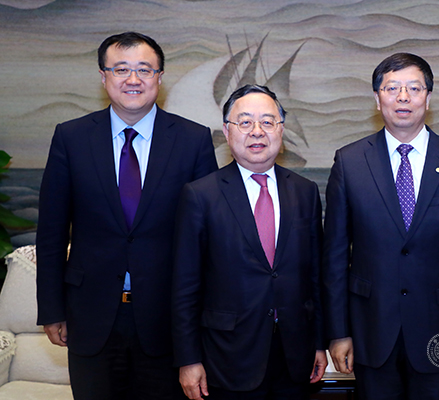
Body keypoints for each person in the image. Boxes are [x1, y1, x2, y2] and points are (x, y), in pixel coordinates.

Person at [36, 32, 218, 400]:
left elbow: (208, 239)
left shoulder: (193, 139)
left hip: (167, 319)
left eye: (144, 70)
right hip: (90, 315)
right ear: (103, 77)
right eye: (121, 69)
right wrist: (51, 309)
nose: (133, 80)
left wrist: (204, 318)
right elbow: (51, 232)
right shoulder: (71, 138)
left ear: (159, 77)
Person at [321, 52, 439, 400]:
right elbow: (335, 255)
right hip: (371, 330)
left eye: (414, 88)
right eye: (392, 88)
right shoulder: (350, 162)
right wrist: (338, 332)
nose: (403, 97)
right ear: (377, 98)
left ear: (428, 98)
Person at [171, 84, 327, 400]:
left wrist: (320, 343)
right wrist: (188, 359)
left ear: (281, 130)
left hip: (294, 355)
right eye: (245, 122)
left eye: (268, 122)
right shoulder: (201, 195)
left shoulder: (305, 191)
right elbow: (185, 286)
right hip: (227, 356)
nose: (257, 131)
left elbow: (316, 276)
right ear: (227, 132)